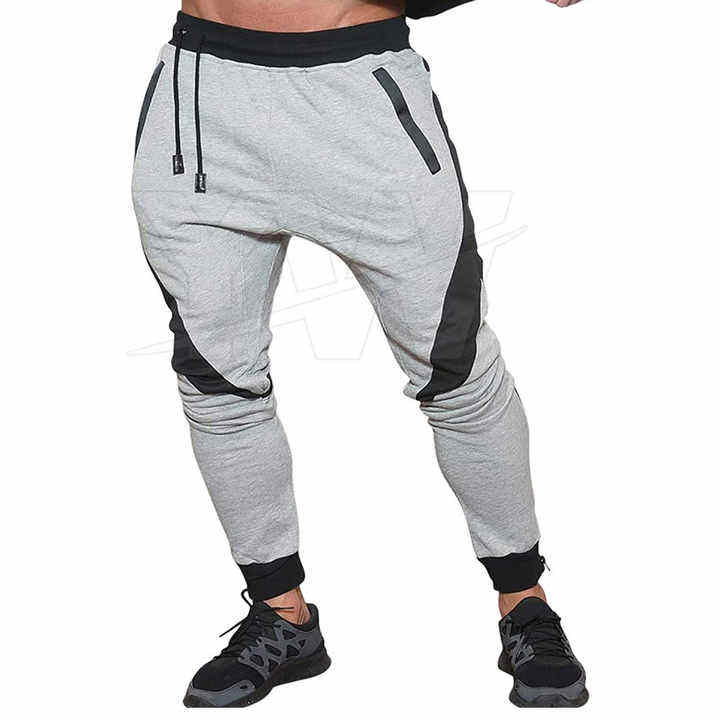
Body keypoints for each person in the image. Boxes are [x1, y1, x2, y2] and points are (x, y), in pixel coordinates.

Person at [132, 0, 588, 708]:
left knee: (453, 370)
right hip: (202, 100)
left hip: (360, 95)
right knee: (216, 382)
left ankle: (523, 601)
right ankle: (283, 615)